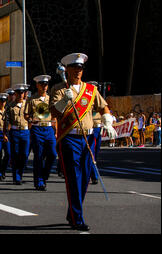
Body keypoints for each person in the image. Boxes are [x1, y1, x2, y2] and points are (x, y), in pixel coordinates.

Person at [49, 53, 117, 231]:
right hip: (69, 138)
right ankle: (77, 217)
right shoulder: (59, 89)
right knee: (74, 178)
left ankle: (72, 212)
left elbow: (103, 107)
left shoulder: (90, 89)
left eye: (80, 68)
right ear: (67, 70)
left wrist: (107, 121)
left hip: (88, 137)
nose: (78, 72)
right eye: (75, 68)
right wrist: (64, 100)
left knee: (85, 178)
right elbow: (54, 114)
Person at [25, 75, 58, 191]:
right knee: (38, 156)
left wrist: (56, 131)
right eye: (42, 84)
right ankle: (39, 181)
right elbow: (26, 114)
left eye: (46, 84)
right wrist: (30, 120)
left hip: (49, 129)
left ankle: (44, 175)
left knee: (53, 154)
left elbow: (55, 115)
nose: (44, 87)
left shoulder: (52, 99)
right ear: (37, 85)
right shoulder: (32, 99)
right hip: (37, 129)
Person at [4, 84, 30, 185]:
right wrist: (5, 134)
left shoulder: (28, 104)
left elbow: (31, 118)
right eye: (18, 93)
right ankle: (17, 177)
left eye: (22, 93)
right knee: (15, 155)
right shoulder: (10, 106)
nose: (20, 95)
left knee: (24, 154)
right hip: (14, 132)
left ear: (24, 94)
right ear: (15, 94)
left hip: (25, 131)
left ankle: (20, 172)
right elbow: (7, 121)